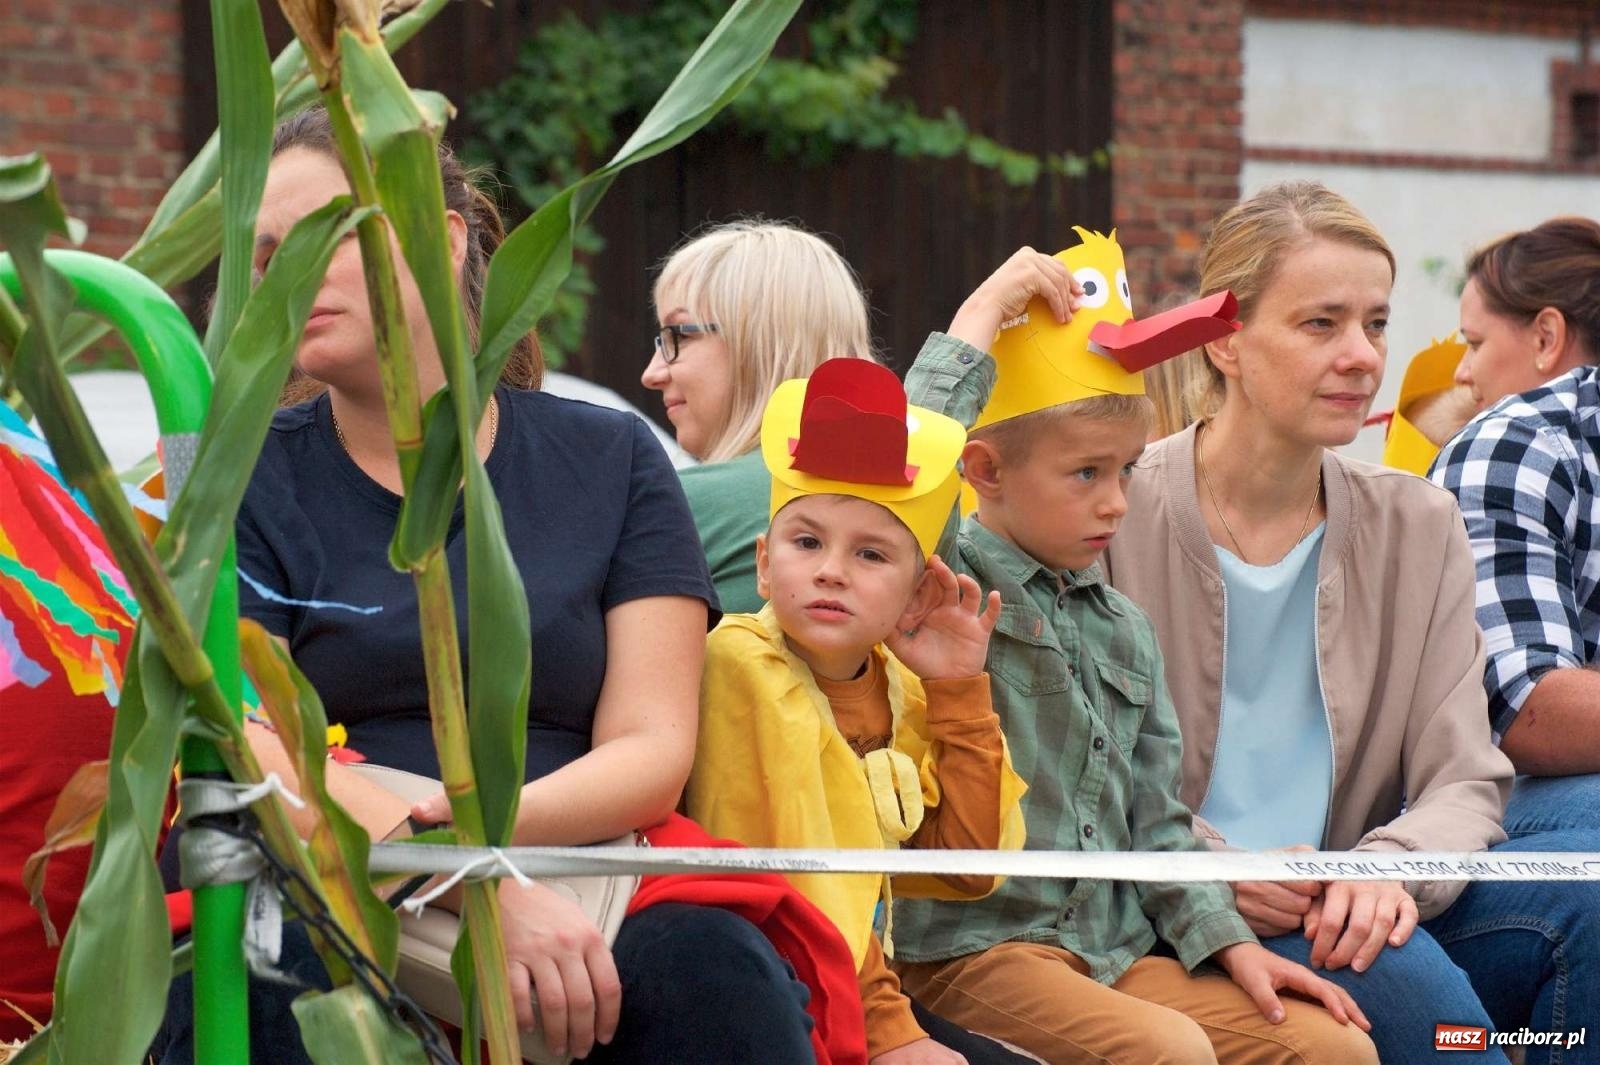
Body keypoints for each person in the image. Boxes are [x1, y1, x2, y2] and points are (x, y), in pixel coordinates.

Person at [153, 107, 821, 1065]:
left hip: (580, 865)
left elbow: (650, 746)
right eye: (261, 251)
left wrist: (482, 841)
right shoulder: (229, 472)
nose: (279, 272)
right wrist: (467, 883)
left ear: (443, 237)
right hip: (320, 872)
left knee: (719, 975)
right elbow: (253, 748)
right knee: (269, 985)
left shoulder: (613, 456)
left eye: (316, 236)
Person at [1101, 180, 1599, 1064]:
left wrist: (1386, 868)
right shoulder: (1113, 513)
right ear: (1225, 342)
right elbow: (1082, 772)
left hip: (1358, 891)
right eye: (1321, 324)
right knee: (1447, 1030)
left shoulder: (1419, 519)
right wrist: (1214, 869)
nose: (1363, 356)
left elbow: (1465, 774)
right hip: (1173, 905)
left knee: (1588, 912)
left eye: (1375, 323)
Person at [888, 235, 1376, 1065]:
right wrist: (980, 315)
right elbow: (905, 470)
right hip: (969, 951)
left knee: (1331, 1049)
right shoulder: (936, 578)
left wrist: (1229, 944)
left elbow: (1158, 822)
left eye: (1125, 470)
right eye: (1086, 474)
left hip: (1109, 949)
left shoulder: (1122, 624)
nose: (1117, 502)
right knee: (1169, 1053)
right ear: (983, 469)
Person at [687, 358, 1031, 1065]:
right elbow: (801, 882)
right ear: (761, 563)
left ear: (916, 595)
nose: (831, 569)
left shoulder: (898, 686)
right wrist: (892, 1036)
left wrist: (958, 689)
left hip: (857, 988)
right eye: (806, 541)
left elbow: (967, 868)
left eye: (870, 553)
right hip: (771, 994)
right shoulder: (740, 665)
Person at [1430, 217, 1600, 836]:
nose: (1460, 373)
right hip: (1505, 799)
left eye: (1472, 344)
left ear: (1548, 337)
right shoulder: (1512, 443)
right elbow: (1527, 711)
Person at [642, 219, 877, 612]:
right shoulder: (921, 487)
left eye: (679, 335)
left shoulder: (676, 503)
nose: (652, 374)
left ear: (761, 341)